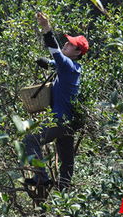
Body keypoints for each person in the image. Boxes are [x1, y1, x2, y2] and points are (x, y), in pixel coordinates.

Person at [24, 12, 89, 190]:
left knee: (30, 140)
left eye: (70, 44)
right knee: (67, 161)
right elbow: (52, 62)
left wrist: (46, 27)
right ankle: (64, 193)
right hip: (69, 123)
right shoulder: (75, 68)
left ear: (77, 52)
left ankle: (41, 179)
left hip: (58, 119)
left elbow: (55, 51)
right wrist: (44, 62)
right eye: (67, 42)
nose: (66, 44)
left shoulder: (67, 64)